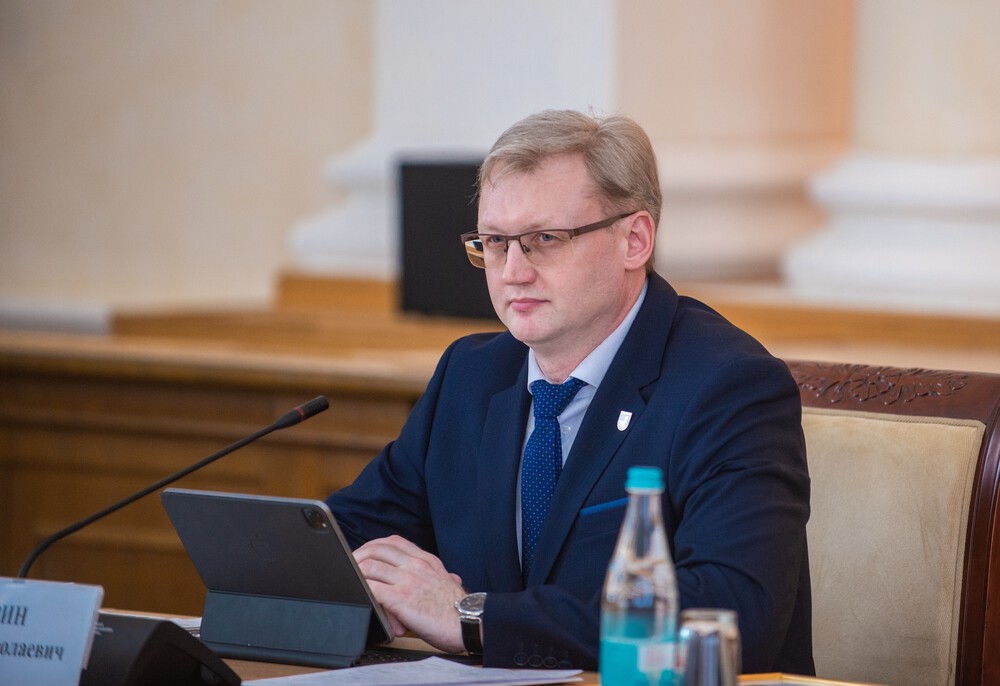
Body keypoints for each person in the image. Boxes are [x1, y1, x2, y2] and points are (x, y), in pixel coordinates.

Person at [325, 109, 814, 674]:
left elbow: (732, 613)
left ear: (634, 240)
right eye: (495, 242)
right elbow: (346, 540)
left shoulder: (729, 386)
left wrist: (473, 618)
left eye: (544, 239)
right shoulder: (471, 375)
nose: (512, 271)